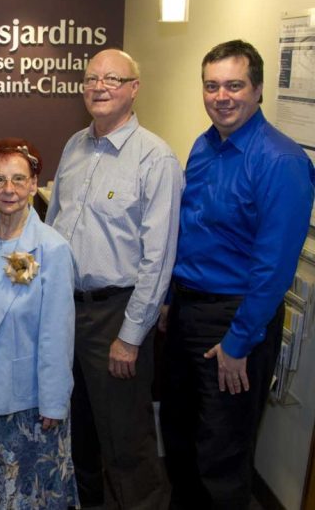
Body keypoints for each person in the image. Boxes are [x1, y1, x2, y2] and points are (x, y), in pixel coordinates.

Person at [161, 40, 315, 509]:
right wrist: (170, 300)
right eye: (212, 86)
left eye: (234, 85)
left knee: (221, 456)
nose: (221, 96)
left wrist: (238, 342)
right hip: (187, 309)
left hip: (234, 320)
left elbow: (274, 268)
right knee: (180, 438)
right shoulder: (205, 145)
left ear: (259, 90)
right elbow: (187, 230)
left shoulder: (281, 161)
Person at [45, 48, 182, 509]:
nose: (99, 87)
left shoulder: (155, 159)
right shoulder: (74, 145)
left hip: (115, 316)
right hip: (68, 309)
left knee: (126, 442)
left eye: (112, 79)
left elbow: (159, 259)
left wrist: (131, 335)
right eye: (91, 79)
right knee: (77, 429)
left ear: (133, 89)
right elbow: (54, 225)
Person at [0, 138, 79, 509]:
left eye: (18, 179)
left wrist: (54, 403)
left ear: (33, 183)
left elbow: (58, 333)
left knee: (26, 495)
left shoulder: (51, 248)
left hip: (29, 399)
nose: (8, 189)